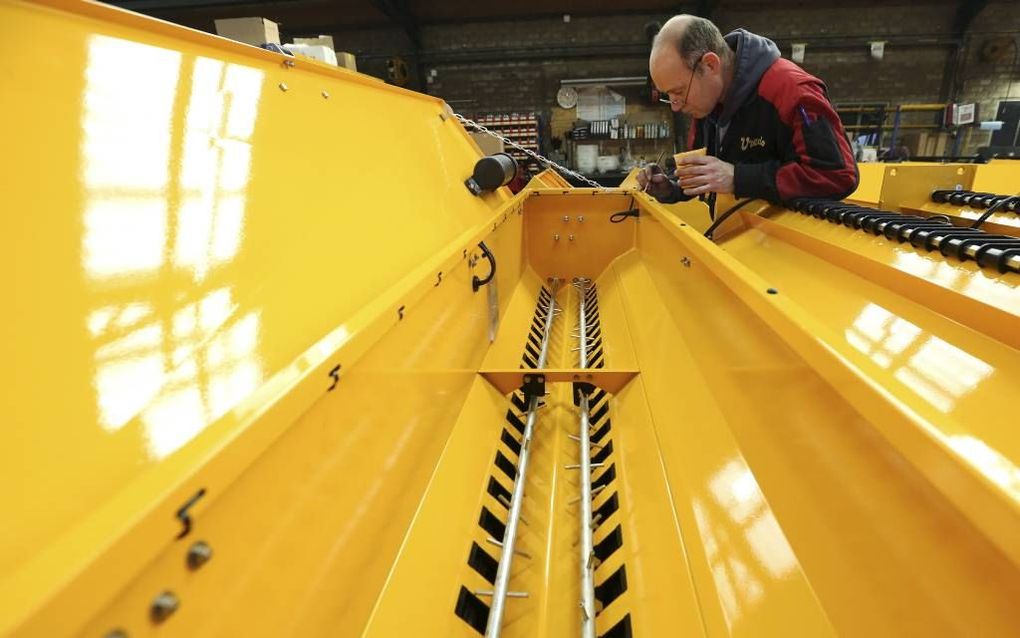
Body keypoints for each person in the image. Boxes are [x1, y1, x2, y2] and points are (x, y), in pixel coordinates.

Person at [637, 15, 858, 206]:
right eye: (669, 96)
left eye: (679, 91)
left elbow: (837, 176)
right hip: (739, 240)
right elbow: (710, 179)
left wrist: (737, 178)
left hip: (788, 246)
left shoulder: (792, 92)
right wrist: (671, 188)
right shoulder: (707, 105)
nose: (676, 106)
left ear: (710, 65)